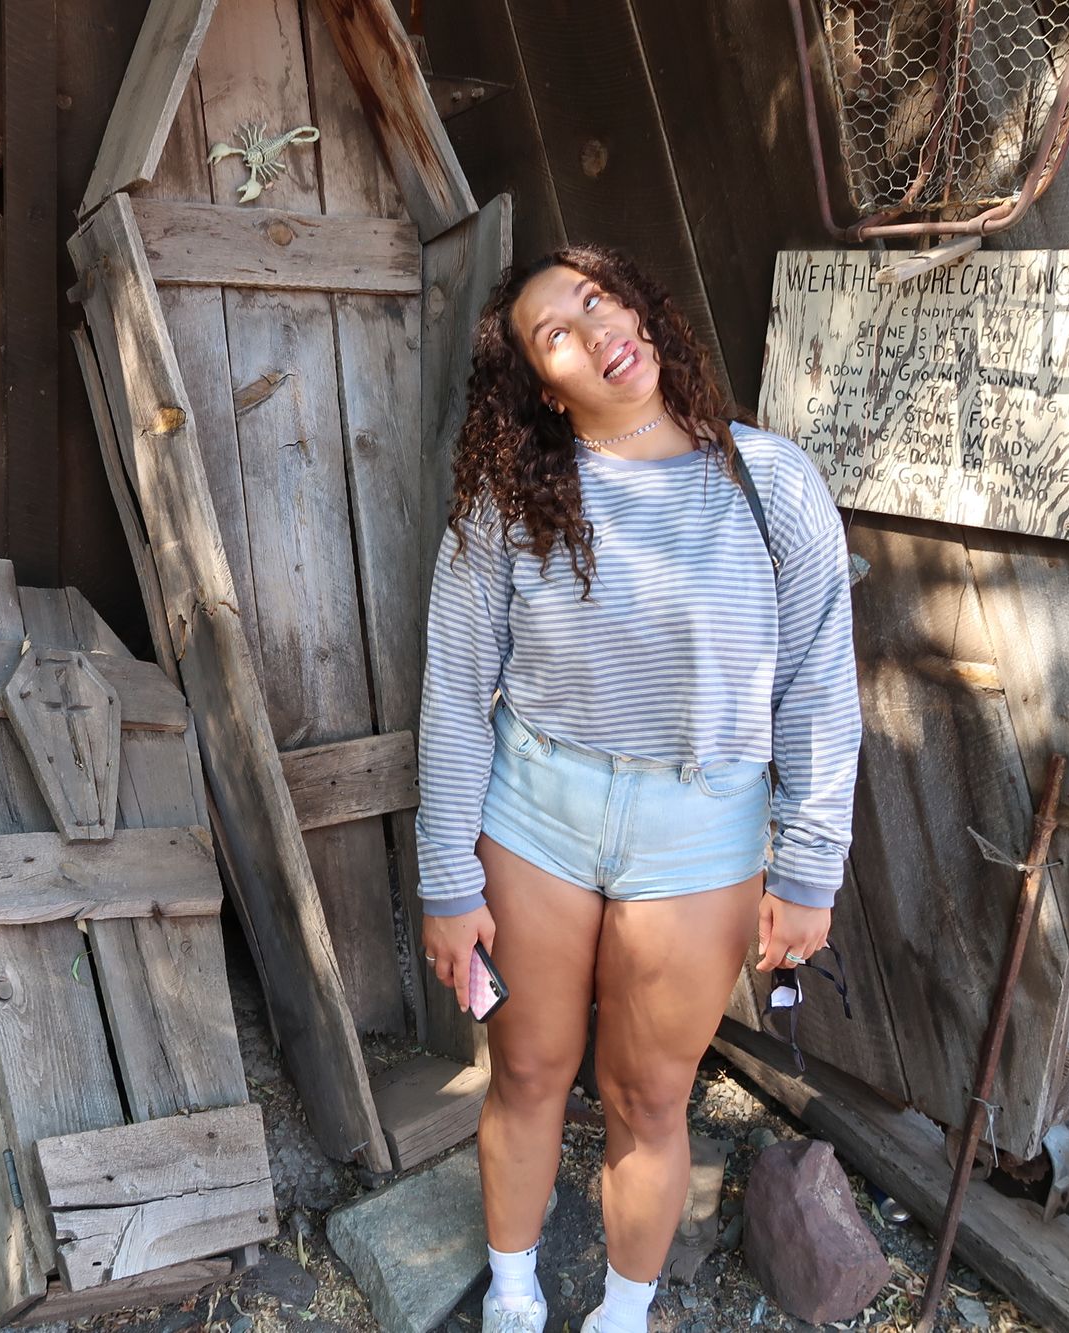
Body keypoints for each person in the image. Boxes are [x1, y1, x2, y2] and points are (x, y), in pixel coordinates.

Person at [414, 245, 862, 1333]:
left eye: (596, 297)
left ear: (640, 307)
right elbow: (455, 690)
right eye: (555, 333)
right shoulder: (509, 502)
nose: (594, 327)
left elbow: (816, 685)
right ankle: (512, 1291)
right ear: (540, 385)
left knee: (650, 1095)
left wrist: (808, 869)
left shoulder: (770, 483)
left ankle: (622, 1310)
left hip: (699, 831)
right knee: (527, 1069)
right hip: (536, 816)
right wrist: (445, 881)